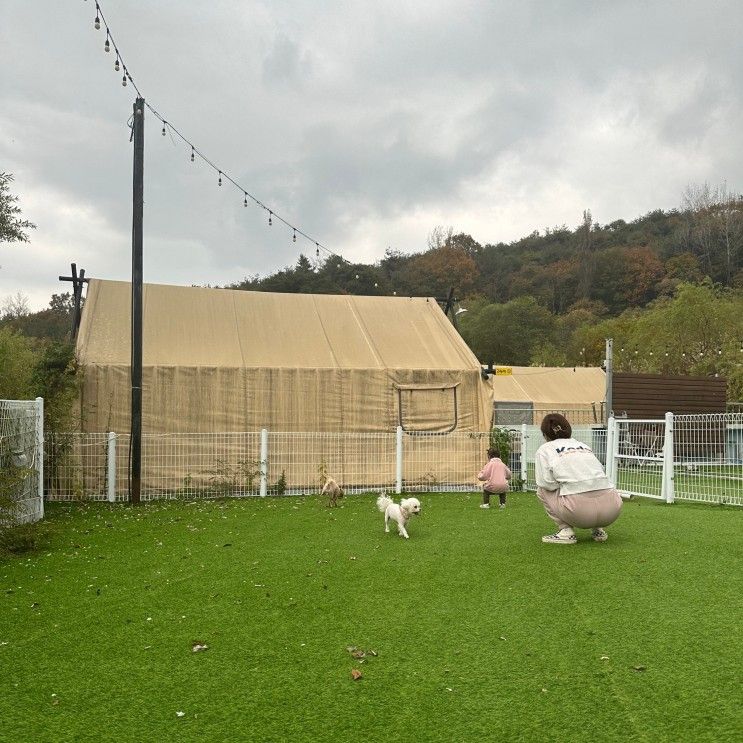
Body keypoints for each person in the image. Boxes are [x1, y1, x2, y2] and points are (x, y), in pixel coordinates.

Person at [535, 413, 622, 544]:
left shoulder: (545, 449)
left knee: (541, 489)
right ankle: (598, 529)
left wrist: (564, 485)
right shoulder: (584, 446)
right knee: (592, 483)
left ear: (545, 434)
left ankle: (566, 531)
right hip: (612, 509)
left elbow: (546, 483)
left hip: (579, 512)